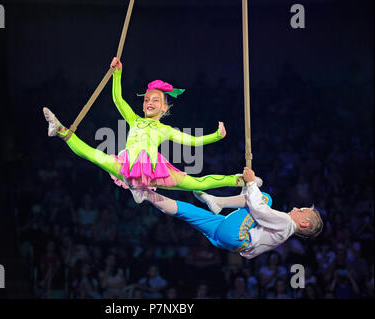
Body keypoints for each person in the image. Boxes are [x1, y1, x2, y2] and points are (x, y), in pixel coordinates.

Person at [42, 57, 263, 195]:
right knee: (92, 154)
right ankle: (60, 129)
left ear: (165, 108)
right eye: (147, 99)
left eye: (155, 100)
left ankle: (238, 179)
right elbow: (118, 100)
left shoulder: (164, 129)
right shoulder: (134, 120)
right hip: (127, 166)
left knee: (196, 183)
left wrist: (215, 136)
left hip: (153, 170)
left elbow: (191, 141)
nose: (149, 102)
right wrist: (117, 74)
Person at [129, 167, 323, 259]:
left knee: (265, 199)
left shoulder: (286, 223)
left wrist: (251, 183)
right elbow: (251, 212)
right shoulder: (282, 229)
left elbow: (258, 210)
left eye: (301, 210)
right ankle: (144, 194)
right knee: (186, 211)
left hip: (236, 235)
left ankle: (218, 201)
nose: (297, 208)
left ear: (304, 223)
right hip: (228, 235)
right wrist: (248, 188)